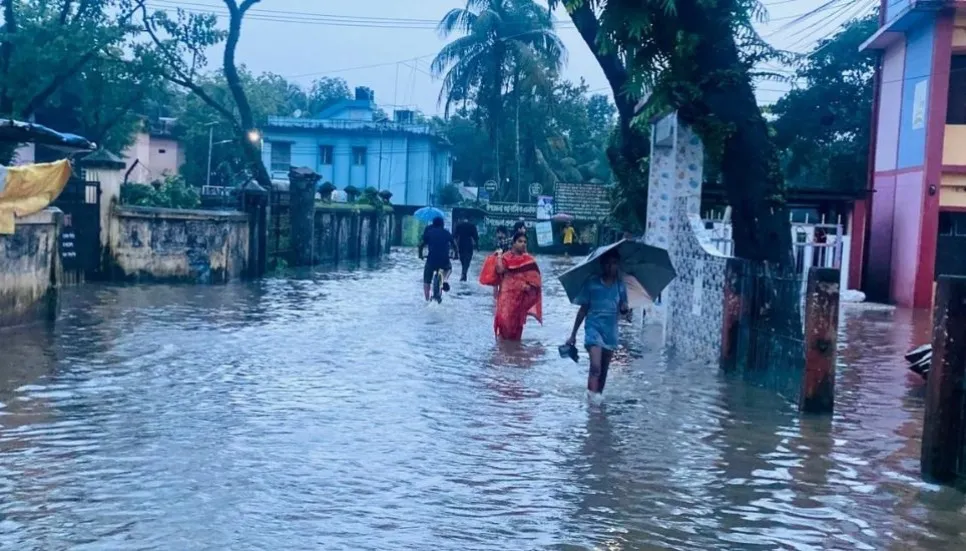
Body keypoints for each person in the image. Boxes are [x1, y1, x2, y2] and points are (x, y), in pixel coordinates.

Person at [566, 250, 629, 395]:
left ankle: (598, 397)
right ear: (602, 265)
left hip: (610, 331)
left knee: (604, 369)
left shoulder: (620, 286)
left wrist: (625, 309)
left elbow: (624, 309)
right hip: (593, 328)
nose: (610, 267)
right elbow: (583, 310)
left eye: (613, 263)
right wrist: (573, 334)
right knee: (595, 366)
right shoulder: (592, 284)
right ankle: (592, 401)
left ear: (617, 265)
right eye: (607, 263)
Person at [479, 233, 542, 340]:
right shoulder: (505, 257)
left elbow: (536, 280)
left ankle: (514, 351)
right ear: (513, 243)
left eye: (525, 242)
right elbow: (500, 270)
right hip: (506, 297)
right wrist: (498, 256)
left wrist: (528, 286)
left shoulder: (529, 260)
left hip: (520, 298)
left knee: (517, 326)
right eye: (520, 241)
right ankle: (504, 351)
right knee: (504, 323)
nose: (523, 244)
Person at [418, 216, 457, 301]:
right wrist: (456, 255)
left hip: (431, 260)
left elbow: (421, 245)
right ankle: (445, 280)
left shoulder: (429, 232)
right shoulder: (446, 233)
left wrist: (420, 255)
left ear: (433, 224)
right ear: (442, 224)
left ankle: (427, 299)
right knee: (449, 268)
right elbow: (454, 245)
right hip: (444, 260)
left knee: (426, 280)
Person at [453, 217, 479, 282]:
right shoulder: (472, 226)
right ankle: (464, 273)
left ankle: (464, 273)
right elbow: (476, 237)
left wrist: (455, 247)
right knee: (467, 259)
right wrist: (478, 246)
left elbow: (455, 236)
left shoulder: (459, 225)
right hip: (469, 244)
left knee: (462, 259)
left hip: (461, 244)